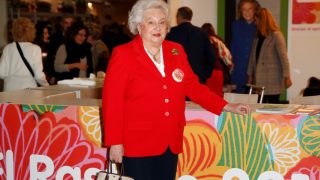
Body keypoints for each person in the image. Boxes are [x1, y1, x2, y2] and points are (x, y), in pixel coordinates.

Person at [102, 0, 250, 180]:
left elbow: (194, 87)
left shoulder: (176, 51)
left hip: (169, 142)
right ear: (139, 27)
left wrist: (226, 106)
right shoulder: (123, 54)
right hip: (137, 144)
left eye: (162, 22)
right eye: (151, 22)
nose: (158, 27)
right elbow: (112, 102)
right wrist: (115, 142)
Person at [247, 8, 292, 104]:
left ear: (262, 20)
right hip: (258, 80)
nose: (255, 23)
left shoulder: (277, 36)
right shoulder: (257, 37)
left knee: (273, 106)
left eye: (256, 20)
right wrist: (250, 74)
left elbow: (284, 58)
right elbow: (252, 57)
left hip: (273, 80)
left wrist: (287, 77)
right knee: (258, 106)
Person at [166, 6, 216, 84]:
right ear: (190, 17)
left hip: (177, 77)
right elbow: (212, 56)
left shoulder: (171, 33)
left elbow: (165, 55)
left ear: (179, 17)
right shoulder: (202, 33)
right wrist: (205, 75)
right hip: (198, 77)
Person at [0, 17, 49, 91]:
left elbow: (1, 73)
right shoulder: (35, 49)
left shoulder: (7, 48)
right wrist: (47, 86)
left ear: (14, 31)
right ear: (32, 31)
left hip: (9, 91)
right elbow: (38, 76)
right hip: (29, 91)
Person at [230, 0, 260, 93]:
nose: (247, 12)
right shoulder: (236, 25)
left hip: (255, 66)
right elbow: (233, 45)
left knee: (255, 96)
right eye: (244, 10)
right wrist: (231, 63)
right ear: (240, 11)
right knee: (239, 95)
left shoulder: (259, 26)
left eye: (250, 9)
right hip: (239, 66)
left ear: (255, 10)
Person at [201, 23, 234, 96]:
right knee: (218, 96)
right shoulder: (219, 40)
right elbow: (228, 57)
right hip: (219, 72)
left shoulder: (202, 40)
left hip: (207, 72)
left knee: (207, 97)